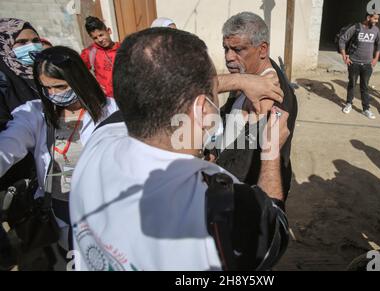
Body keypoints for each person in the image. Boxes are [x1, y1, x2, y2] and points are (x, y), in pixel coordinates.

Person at [70, 27, 290, 271]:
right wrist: (270, 151)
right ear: (201, 109)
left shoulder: (100, 140)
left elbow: (150, 93)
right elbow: (274, 232)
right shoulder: (214, 199)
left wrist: (240, 80)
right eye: (211, 93)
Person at [0, 46, 118, 269]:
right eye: (47, 88)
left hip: (104, 210)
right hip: (60, 215)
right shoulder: (35, 114)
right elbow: (8, 146)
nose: (54, 94)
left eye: (60, 86)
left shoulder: (112, 110)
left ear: (78, 80)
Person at [216, 12, 298, 200]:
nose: (229, 57)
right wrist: (213, 148)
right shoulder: (248, 77)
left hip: (248, 196)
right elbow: (228, 114)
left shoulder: (269, 94)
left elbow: (243, 163)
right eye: (226, 49)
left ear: (262, 50)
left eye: (238, 50)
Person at [0, 18, 43, 193]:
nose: (32, 47)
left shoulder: (42, 72)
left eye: (35, 41)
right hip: (16, 175)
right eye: (22, 42)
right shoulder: (3, 79)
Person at [339, 11, 380, 119]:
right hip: (354, 62)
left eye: (377, 19)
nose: (377, 21)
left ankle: (366, 109)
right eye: (375, 19)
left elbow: (379, 44)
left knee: (365, 87)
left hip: (367, 65)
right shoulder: (356, 28)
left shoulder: (376, 30)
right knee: (352, 84)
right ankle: (349, 104)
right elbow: (342, 39)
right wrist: (344, 56)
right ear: (368, 17)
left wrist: (376, 58)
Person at [81, 16, 120, 98]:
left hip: (126, 96)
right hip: (106, 99)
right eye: (95, 38)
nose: (99, 40)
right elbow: (79, 72)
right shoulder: (90, 52)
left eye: (101, 35)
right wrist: (92, 85)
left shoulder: (123, 48)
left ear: (109, 31)